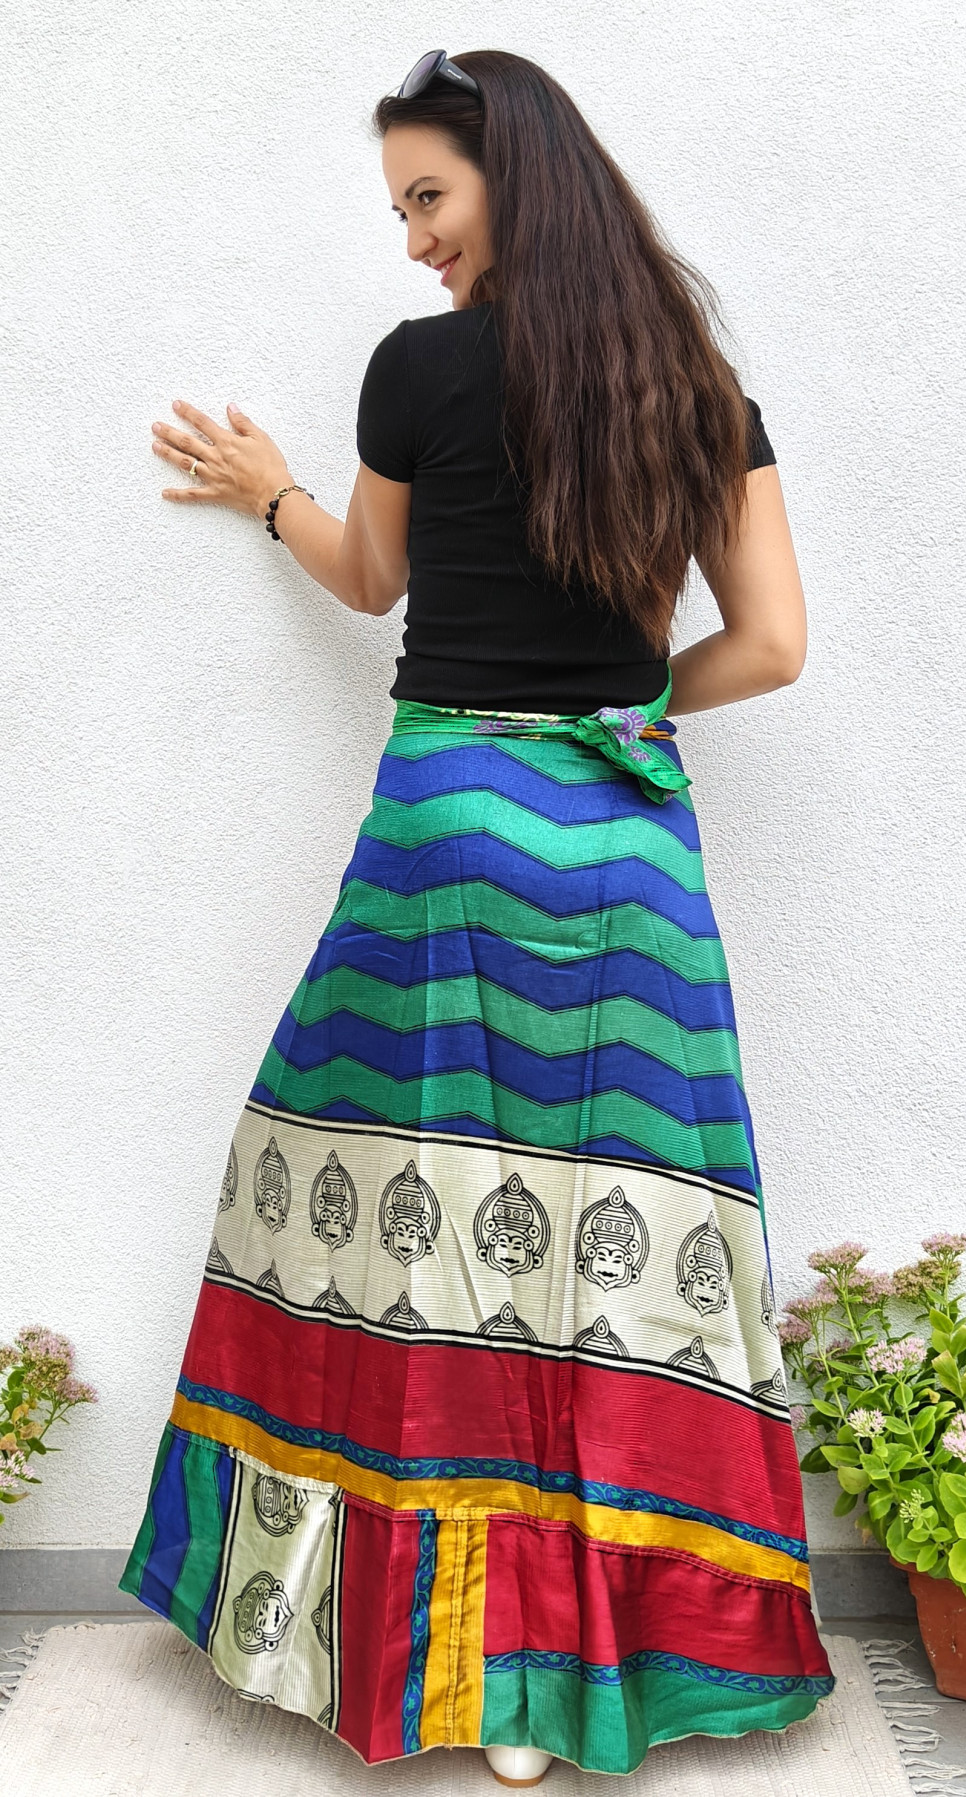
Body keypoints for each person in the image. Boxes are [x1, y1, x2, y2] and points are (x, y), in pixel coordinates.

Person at [121, 46, 834, 1788]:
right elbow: (771, 646)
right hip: (624, 853)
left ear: (517, 174)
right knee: (608, 1243)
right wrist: (625, 708)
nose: (414, 238)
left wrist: (274, 488)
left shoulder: (421, 370)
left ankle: (432, 1656)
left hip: (449, 834)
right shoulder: (697, 389)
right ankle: (562, 1680)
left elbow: (374, 581)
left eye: (428, 197)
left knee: (411, 1223)